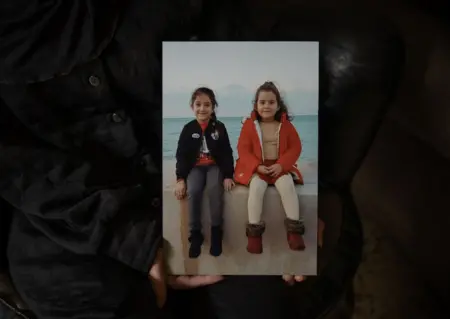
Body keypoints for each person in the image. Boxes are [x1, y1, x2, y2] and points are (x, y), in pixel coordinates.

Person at [0, 1, 310, 319]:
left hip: (208, 186)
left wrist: (294, 192)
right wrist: (137, 240)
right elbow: (20, 167)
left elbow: (252, 56)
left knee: (264, 305)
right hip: (69, 222)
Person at [235, 81, 306, 254]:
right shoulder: (249, 126)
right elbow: (243, 149)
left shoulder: (286, 126)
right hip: (258, 169)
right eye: (262, 102)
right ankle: (254, 236)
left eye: (271, 102)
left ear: (278, 105)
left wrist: (282, 165)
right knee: (257, 188)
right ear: (256, 105)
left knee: (287, 185)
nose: (266, 106)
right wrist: (256, 166)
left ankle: (294, 232)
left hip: (279, 167)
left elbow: (295, 147)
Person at [173, 87, 235, 258]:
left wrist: (228, 175)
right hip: (195, 167)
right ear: (192, 106)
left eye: (207, 105)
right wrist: (180, 178)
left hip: (214, 166)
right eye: (198, 104)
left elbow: (227, 152)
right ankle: (196, 235)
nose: (202, 109)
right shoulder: (188, 128)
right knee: (193, 191)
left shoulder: (219, 127)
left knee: (214, 189)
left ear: (213, 107)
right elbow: (182, 155)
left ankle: (216, 233)